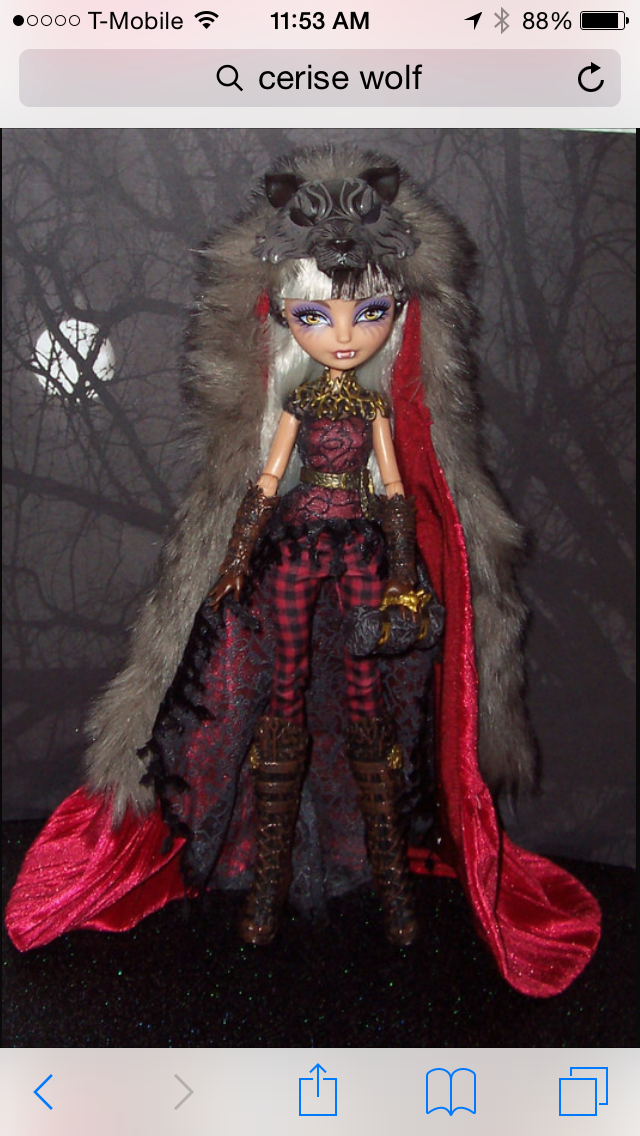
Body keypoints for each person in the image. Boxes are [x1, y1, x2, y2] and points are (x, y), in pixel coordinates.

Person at [6, 148, 601, 996]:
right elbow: (259, 486)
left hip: (362, 554)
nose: (345, 334)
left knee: (368, 708)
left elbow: (396, 492)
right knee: (280, 704)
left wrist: (405, 570)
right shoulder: (294, 405)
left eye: (372, 312)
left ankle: (391, 885)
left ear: (401, 318)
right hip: (289, 552)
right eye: (315, 315)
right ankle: (268, 883)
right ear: (283, 320)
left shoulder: (376, 408)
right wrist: (233, 561)